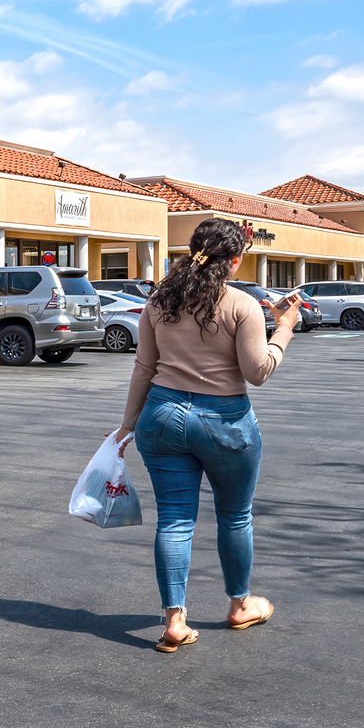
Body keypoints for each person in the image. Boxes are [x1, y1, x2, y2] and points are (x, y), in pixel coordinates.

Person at [114, 216, 298, 654]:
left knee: (175, 520)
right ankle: (240, 605)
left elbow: (144, 366)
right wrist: (285, 328)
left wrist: (127, 425)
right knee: (235, 516)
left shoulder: (160, 300)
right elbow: (257, 372)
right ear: (233, 261)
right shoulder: (241, 305)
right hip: (224, 421)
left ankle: (174, 621)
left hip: (161, 415)